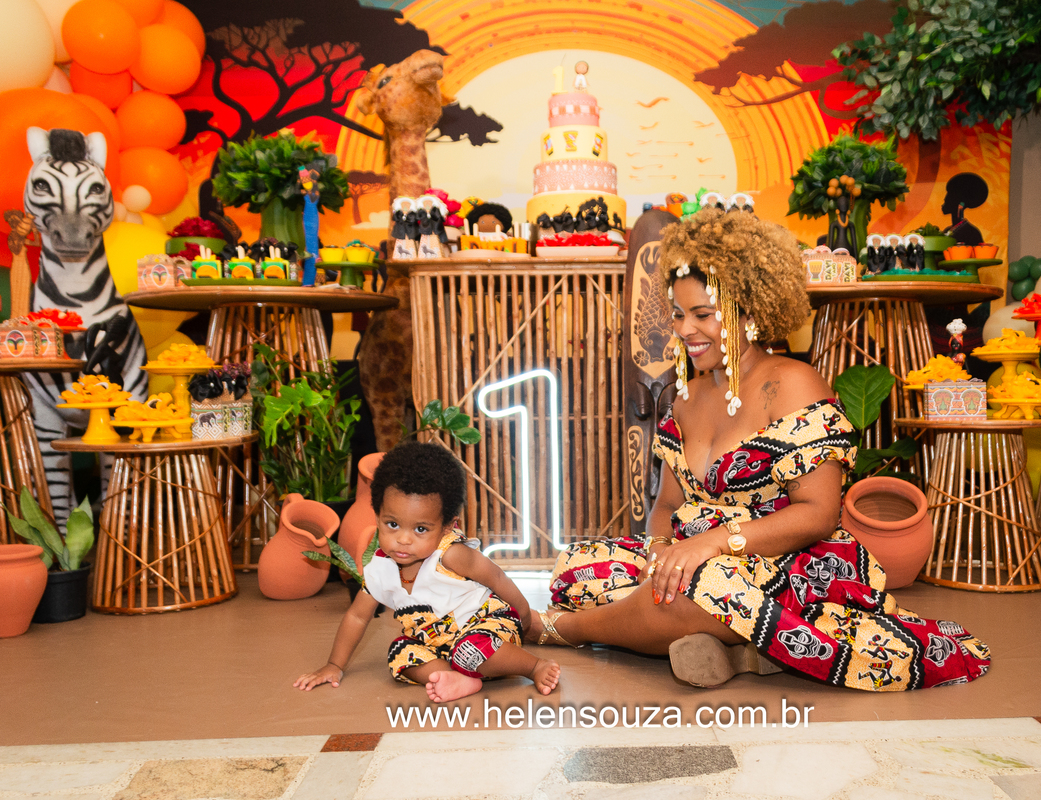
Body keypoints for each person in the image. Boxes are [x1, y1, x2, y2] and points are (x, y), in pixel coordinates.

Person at [525, 208, 991, 691]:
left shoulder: (793, 384)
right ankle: (737, 645)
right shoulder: (686, 397)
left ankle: (565, 629)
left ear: (748, 311)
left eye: (703, 315)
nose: (685, 330)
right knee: (575, 569)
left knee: (694, 590)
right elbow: (666, 506)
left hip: (782, 561)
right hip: (693, 553)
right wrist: (661, 553)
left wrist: (712, 543)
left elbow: (818, 515)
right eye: (679, 314)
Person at [295, 442, 560, 702]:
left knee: (469, 648)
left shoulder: (450, 554)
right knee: (399, 652)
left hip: (487, 629)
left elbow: (496, 577)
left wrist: (524, 615)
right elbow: (356, 616)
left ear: (446, 527)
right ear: (377, 517)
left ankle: (533, 666)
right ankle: (456, 678)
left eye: (420, 529)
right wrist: (334, 665)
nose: (403, 539)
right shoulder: (380, 569)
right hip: (439, 645)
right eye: (393, 524)